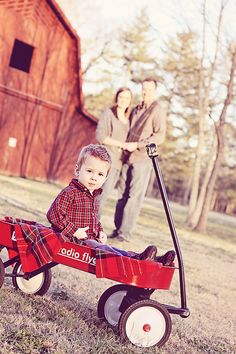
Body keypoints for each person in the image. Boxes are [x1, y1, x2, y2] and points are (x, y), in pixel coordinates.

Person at [47, 144, 175, 265]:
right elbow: (53, 215)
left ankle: (154, 260)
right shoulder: (70, 192)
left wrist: (100, 232)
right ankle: (138, 261)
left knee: (112, 250)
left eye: (100, 174)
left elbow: (94, 220)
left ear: (105, 178)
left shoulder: (93, 196)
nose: (94, 177)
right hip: (72, 241)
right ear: (77, 170)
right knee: (109, 252)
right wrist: (74, 231)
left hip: (89, 241)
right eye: (89, 171)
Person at [110, 78, 167, 242]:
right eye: (143, 88)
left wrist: (138, 145)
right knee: (122, 194)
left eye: (149, 89)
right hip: (128, 157)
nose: (145, 92)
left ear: (154, 91)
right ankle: (117, 228)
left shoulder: (158, 111)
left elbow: (159, 136)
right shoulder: (135, 109)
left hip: (142, 158)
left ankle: (125, 233)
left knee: (134, 197)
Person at [96, 87, 137, 215]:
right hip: (107, 160)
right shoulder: (109, 113)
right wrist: (123, 144)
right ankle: (90, 228)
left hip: (119, 163)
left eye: (127, 98)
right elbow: (100, 136)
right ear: (116, 98)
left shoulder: (129, 119)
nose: (124, 100)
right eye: (121, 97)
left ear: (130, 101)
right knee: (99, 196)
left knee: (105, 195)